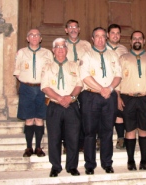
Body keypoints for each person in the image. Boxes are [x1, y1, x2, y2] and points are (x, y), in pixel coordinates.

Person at [79, 27, 122, 175]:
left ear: (106, 38)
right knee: (90, 132)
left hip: (109, 97)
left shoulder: (113, 55)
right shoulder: (87, 55)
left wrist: (109, 89)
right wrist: (101, 89)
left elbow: (118, 75)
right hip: (91, 96)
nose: (100, 39)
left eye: (103, 36)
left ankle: (107, 163)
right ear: (92, 39)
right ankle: (90, 165)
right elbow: (85, 76)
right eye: (97, 36)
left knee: (108, 131)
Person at [118, 31, 146, 171]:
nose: (137, 40)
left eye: (140, 38)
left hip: (145, 98)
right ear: (130, 42)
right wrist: (117, 96)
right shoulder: (123, 58)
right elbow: (117, 79)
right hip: (127, 98)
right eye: (134, 38)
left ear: (144, 41)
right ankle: (130, 160)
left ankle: (144, 160)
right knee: (129, 130)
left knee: (143, 130)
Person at [41, 38, 83, 177]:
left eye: (63, 46)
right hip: (54, 106)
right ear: (53, 50)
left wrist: (70, 97)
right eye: (57, 47)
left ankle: (72, 166)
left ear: (66, 49)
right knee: (54, 138)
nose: (60, 49)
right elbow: (45, 86)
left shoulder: (74, 66)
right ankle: (55, 166)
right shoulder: (47, 66)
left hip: (71, 106)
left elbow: (79, 84)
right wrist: (59, 98)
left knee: (73, 137)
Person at [13, 28, 52, 158]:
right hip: (27, 88)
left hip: (42, 88)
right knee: (29, 118)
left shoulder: (47, 53)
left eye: (37, 35)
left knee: (40, 118)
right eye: (31, 35)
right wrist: (27, 81)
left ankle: (39, 147)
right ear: (27, 38)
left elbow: (52, 71)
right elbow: (17, 71)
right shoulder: (21, 53)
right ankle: (29, 147)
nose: (34, 37)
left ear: (40, 38)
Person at [64, 19, 92, 153]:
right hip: (68, 85)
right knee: (68, 115)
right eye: (70, 27)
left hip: (85, 85)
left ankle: (82, 143)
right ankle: (66, 143)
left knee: (84, 114)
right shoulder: (62, 45)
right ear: (66, 30)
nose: (73, 29)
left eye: (75, 27)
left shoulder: (86, 45)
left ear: (79, 29)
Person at [106, 23, 128, 150]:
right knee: (103, 113)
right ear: (108, 35)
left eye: (117, 33)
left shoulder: (123, 50)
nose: (115, 36)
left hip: (121, 85)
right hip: (105, 86)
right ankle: (100, 139)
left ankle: (121, 138)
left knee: (119, 112)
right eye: (112, 33)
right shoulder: (102, 48)